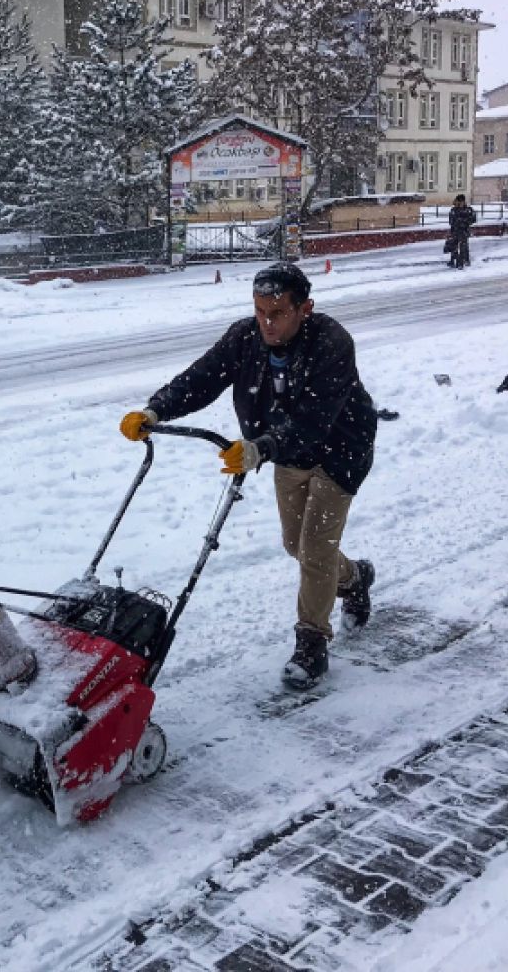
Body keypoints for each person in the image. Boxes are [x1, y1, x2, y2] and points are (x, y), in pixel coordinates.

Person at [118, 262, 377, 689]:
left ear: (304, 308)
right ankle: (354, 578)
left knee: (314, 547)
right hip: (284, 451)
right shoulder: (245, 337)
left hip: (340, 450)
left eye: (277, 313)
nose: (266, 323)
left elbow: (315, 418)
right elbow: (201, 378)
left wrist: (260, 448)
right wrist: (155, 409)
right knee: (296, 544)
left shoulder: (332, 342)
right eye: (259, 311)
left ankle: (311, 642)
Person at [445, 194, 476, 269]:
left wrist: (463, 222)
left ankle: (462, 262)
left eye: (461, 202)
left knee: (463, 247)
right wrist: (458, 222)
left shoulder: (468, 210)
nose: (460, 203)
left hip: (463, 231)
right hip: (455, 230)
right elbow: (451, 221)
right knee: (454, 246)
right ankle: (453, 261)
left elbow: (473, 219)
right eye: (459, 201)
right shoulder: (454, 210)